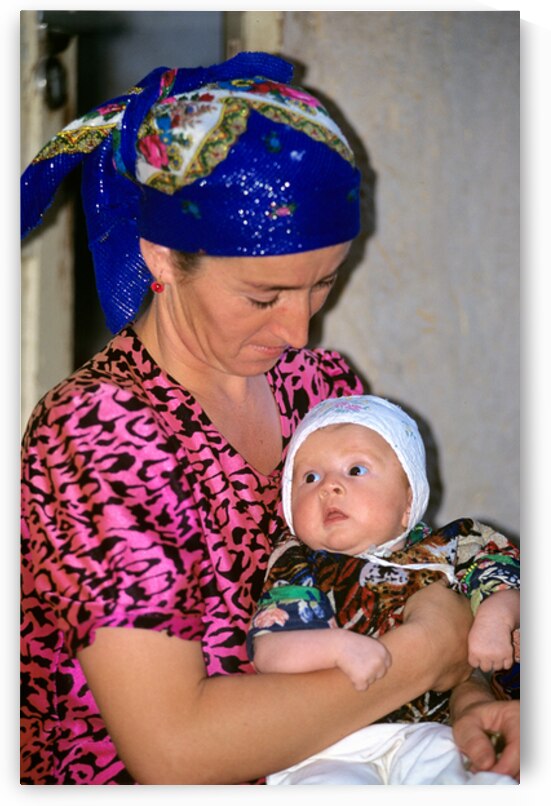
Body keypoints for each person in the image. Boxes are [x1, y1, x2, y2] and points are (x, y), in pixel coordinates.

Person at [20, 52, 519, 785]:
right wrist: (427, 654)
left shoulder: (318, 388)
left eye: (324, 283)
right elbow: (174, 754)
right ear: (161, 258)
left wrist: (468, 695)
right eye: (263, 297)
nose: (299, 331)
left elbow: (391, 579)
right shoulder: (97, 435)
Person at [249, 394, 520, 784]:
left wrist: (496, 616)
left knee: (470, 775)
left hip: (431, 730)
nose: (330, 488)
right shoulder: (299, 565)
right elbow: (270, 650)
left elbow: (508, 579)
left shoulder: (451, 544)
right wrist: (337, 647)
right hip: (326, 743)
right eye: (310, 477)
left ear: (408, 501)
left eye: (355, 469)